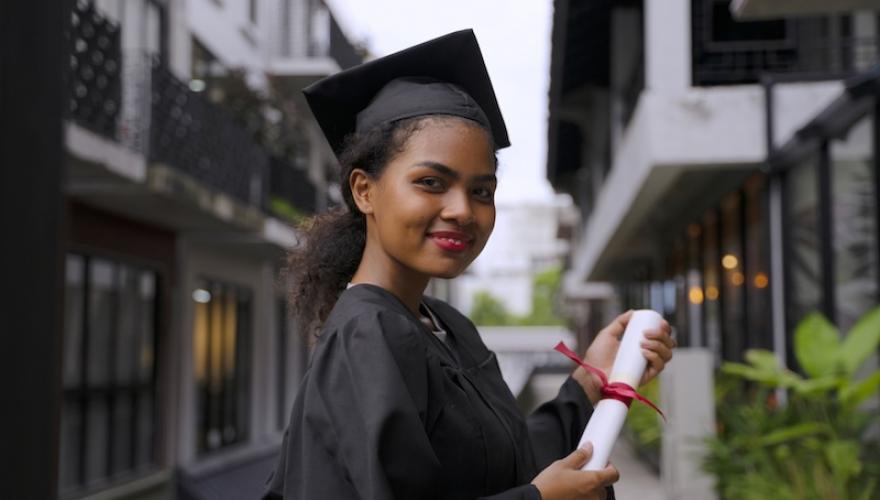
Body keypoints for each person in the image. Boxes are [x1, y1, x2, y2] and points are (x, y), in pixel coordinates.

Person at [263, 30, 674, 500]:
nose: (463, 209)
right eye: (431, 182)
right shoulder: (368, 334)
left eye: (482, 190)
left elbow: (502, 457)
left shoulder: (446, 326)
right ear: (364, 191)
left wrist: (588, 381)